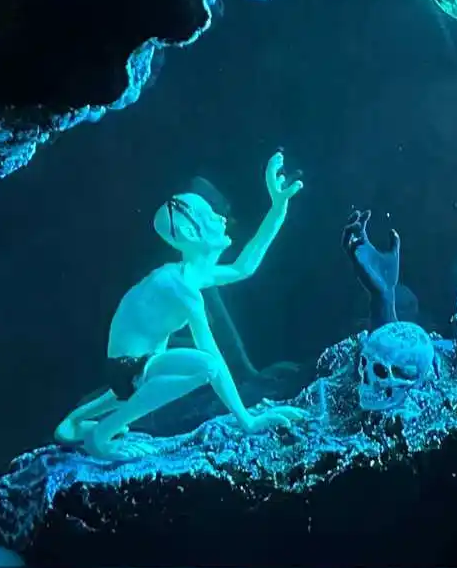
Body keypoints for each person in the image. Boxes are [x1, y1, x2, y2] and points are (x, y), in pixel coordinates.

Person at [55, 152, 309, 460]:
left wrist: (278, 207)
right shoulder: (181, 287)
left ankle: (76, 422)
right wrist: (248, 420)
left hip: (136, 366)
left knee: (180, 368)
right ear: (190, 233)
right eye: (210, 216)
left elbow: (244, 267)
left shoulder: (187, 276)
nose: (221, 219)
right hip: (132, 369)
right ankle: (102, 435)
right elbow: (212, 356)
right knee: (208, 366)